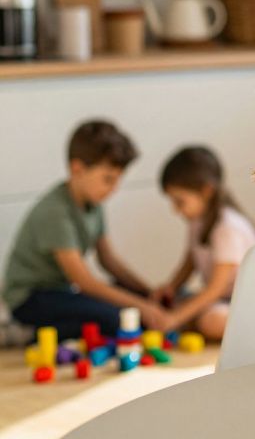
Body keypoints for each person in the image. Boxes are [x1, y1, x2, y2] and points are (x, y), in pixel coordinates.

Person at [3, 120, 166, 340]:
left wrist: (147, 293)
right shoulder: (55, 212)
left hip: (62, 291)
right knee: (119, 319)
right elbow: (84, 282)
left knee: (128, 307)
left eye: (118, 180)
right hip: (31, 298)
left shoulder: (93, 203)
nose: (114, 189)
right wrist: (142, 307)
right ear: (77, 169)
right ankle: (24, 332)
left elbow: (109, 261)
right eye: (108, 179)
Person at [152, 146, 255, 340]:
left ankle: (254, 331)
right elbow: (190, 261)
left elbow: (215, 289)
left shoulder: (227, 227)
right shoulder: (197, 221)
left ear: (206, 191)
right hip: (220, 299)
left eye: (180, 201)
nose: (175, 210)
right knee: (173, 305)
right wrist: (172, 287)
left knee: (211, 321)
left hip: (241, 304)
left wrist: (174, 318)